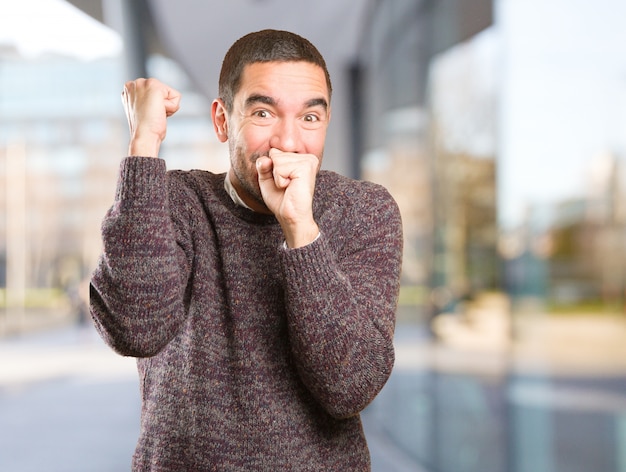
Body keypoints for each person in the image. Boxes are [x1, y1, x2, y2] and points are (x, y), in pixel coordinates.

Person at [90, 29, 403, 471]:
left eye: (310, 119)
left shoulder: (363, 211)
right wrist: (144, 147)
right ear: (222, 121)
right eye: (263, 113)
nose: (288, 142)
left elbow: (350, 386)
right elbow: (136, 329)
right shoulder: (174, 201)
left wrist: (299, 228)